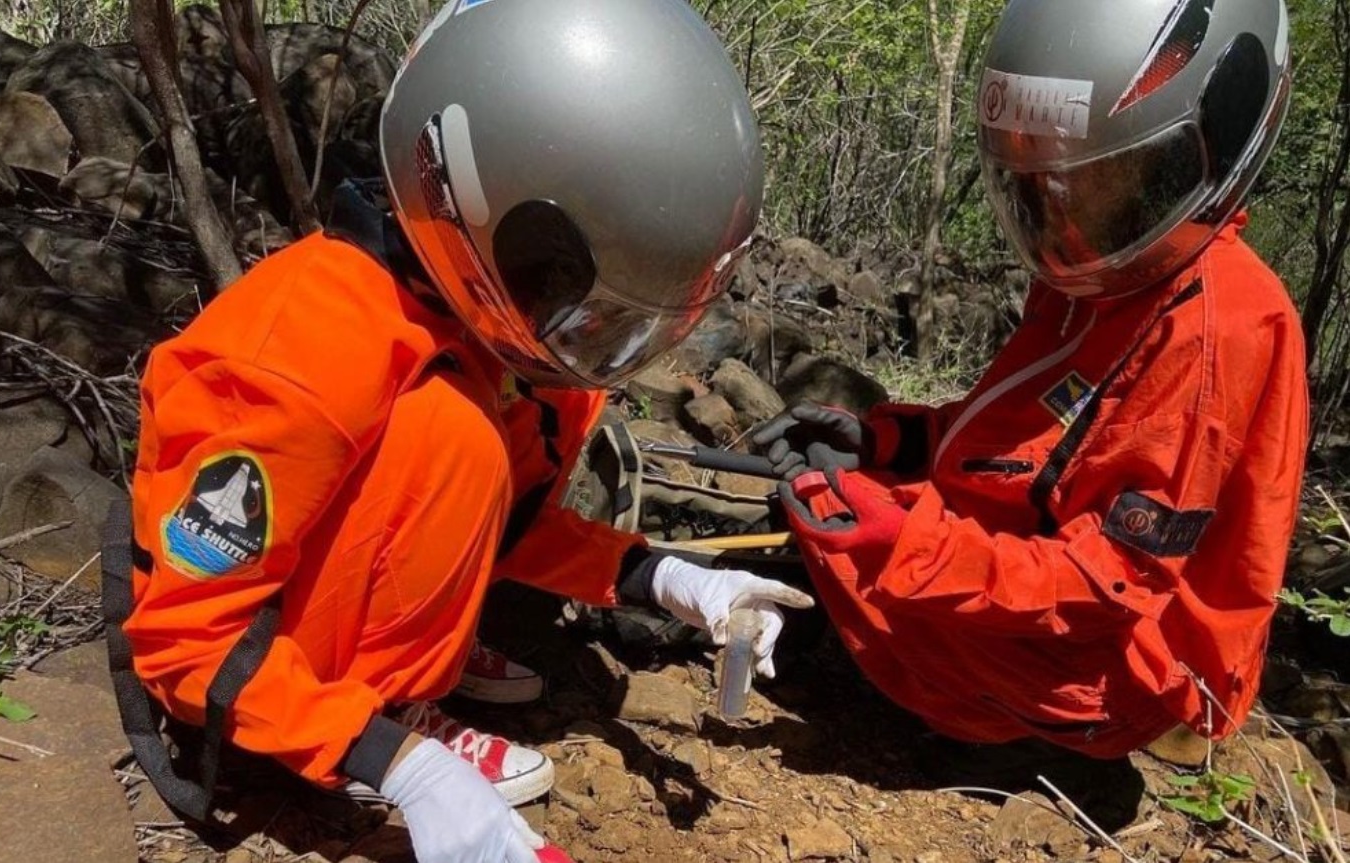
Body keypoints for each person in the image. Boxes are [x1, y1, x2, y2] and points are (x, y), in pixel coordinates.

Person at [105, 1, 812, 860]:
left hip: (345, 604)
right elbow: (185, 641)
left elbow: (507, 525)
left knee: (484, 427)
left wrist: (670, 579)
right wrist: (399, 760)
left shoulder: (483, 334)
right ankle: (375, 694)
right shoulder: (299, 347)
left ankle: (412, 660)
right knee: (450, 431)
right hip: (272, 673)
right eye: (560, 284)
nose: (577, 327)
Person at [753, 0, 1307, 762]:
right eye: (1042, 183)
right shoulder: (1107, 270)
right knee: (823, 505)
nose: (1064, 211)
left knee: (846, 549)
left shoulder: (1217, 327)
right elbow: (1029, 442)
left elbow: (1112, 584)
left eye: (1102, 178)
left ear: (1197, 148)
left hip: (1118, 670)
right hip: (1057, 599)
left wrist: (902, 540)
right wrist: (894, 439)